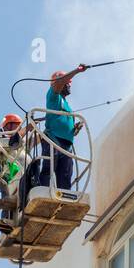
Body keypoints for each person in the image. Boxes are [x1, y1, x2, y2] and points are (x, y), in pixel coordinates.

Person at [38, 64, 88, 192]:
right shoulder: (53, 96)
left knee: (65, 176)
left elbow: (65, 127)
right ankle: (43, 192)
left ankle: (64, 198)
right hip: (53, 140)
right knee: (48, 169)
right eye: (67, 83)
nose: (69, 85)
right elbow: (58, 83)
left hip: (66, 146)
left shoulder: (67, 106)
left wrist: (74, 129)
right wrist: (77, 70)